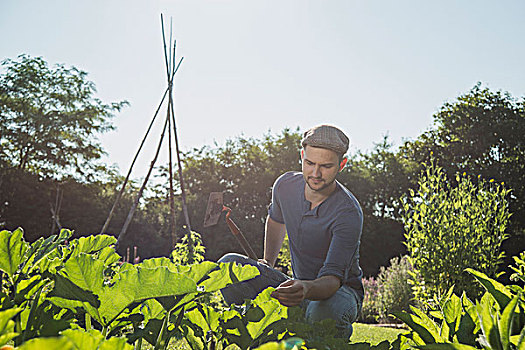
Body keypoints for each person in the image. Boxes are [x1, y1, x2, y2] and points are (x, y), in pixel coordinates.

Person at [218, 125, 364, 338]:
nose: (315, 173)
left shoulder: (348, 212)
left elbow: (332, 279)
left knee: (323, 311)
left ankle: (327, 336)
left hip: (339, 293)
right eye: (310, 163)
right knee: (228, 265)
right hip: (298, 288)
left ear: (342, 165)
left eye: (326, 166)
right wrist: (268, 261)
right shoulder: (285, 186)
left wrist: (305, 288)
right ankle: (259, 339)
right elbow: (276, 220)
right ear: (302, 156)